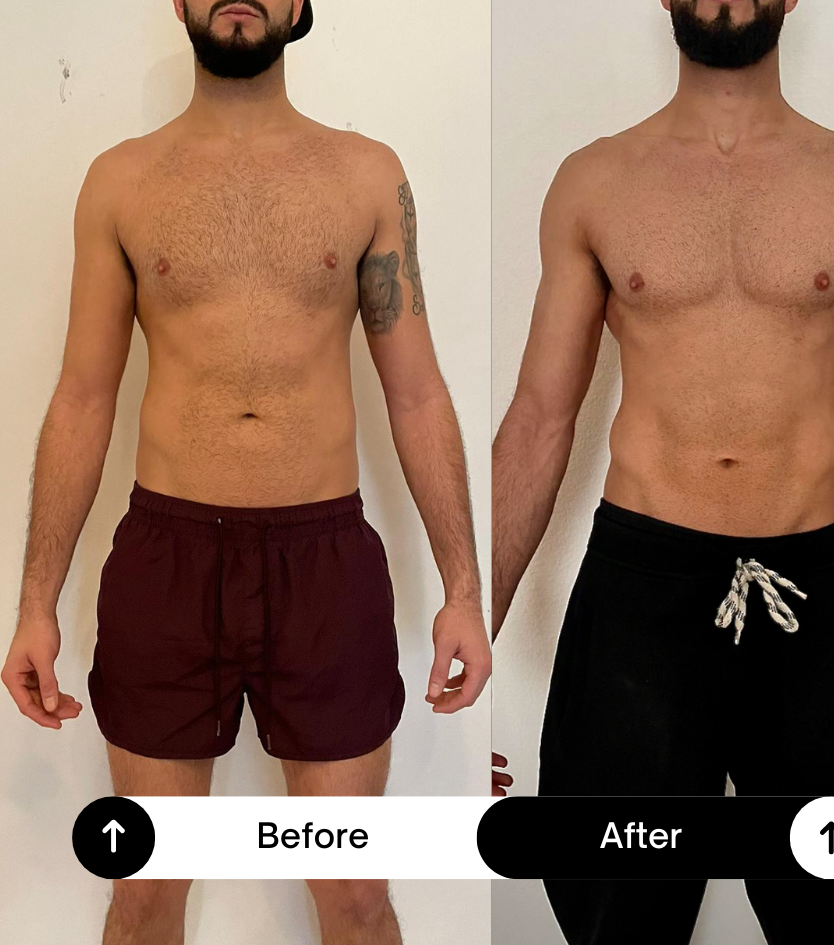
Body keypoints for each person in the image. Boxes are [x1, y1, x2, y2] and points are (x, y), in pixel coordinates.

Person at [2, 2, 490, 943]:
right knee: (145, 889)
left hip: (323, 562)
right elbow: (81, 397)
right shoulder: (120, 182)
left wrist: (463, 588)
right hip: (166, 560)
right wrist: (34, 601)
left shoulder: (366, 175)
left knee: (352, 893)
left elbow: (419, 395)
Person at [492, 1, 834, 943]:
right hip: (638, 602)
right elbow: (538, 419)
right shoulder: (595, 182)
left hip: (814, 596)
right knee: (618, 913)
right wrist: (470, 628)